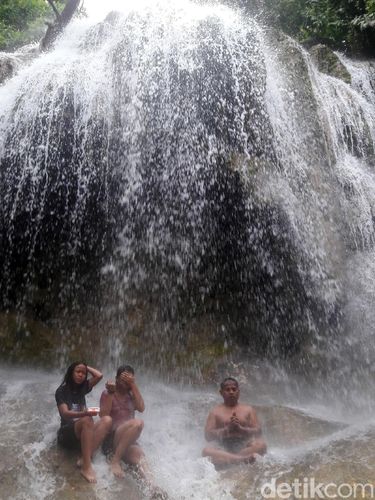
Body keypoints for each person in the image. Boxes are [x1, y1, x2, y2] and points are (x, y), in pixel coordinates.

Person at [55, 361, 112, 483]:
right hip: (66, 434)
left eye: (84, 373)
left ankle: (84, 457)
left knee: (107, 420)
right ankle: (86, 467)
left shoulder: (82, 388)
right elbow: (64, 413)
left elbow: (99, 376)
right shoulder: (61, 391)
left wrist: (86, 366)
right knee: (87, 420)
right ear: (71, 373)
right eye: (78, 371)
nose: (81, 375)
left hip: (81, 431)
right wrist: (84, 414)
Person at [202, 377, 267, 466]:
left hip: (244, 444)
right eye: (227, 390)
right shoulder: (215, 412)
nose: (231, 392)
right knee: (206, 451)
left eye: (234, 389)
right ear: (221, 393)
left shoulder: (248, 410)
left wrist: (241, 429)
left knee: (261, 445)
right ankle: (241, 459)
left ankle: (230, 460)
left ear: (238, 392)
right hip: (222, 445)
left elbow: (258, 432)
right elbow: (208, 436)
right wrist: (227, 430)